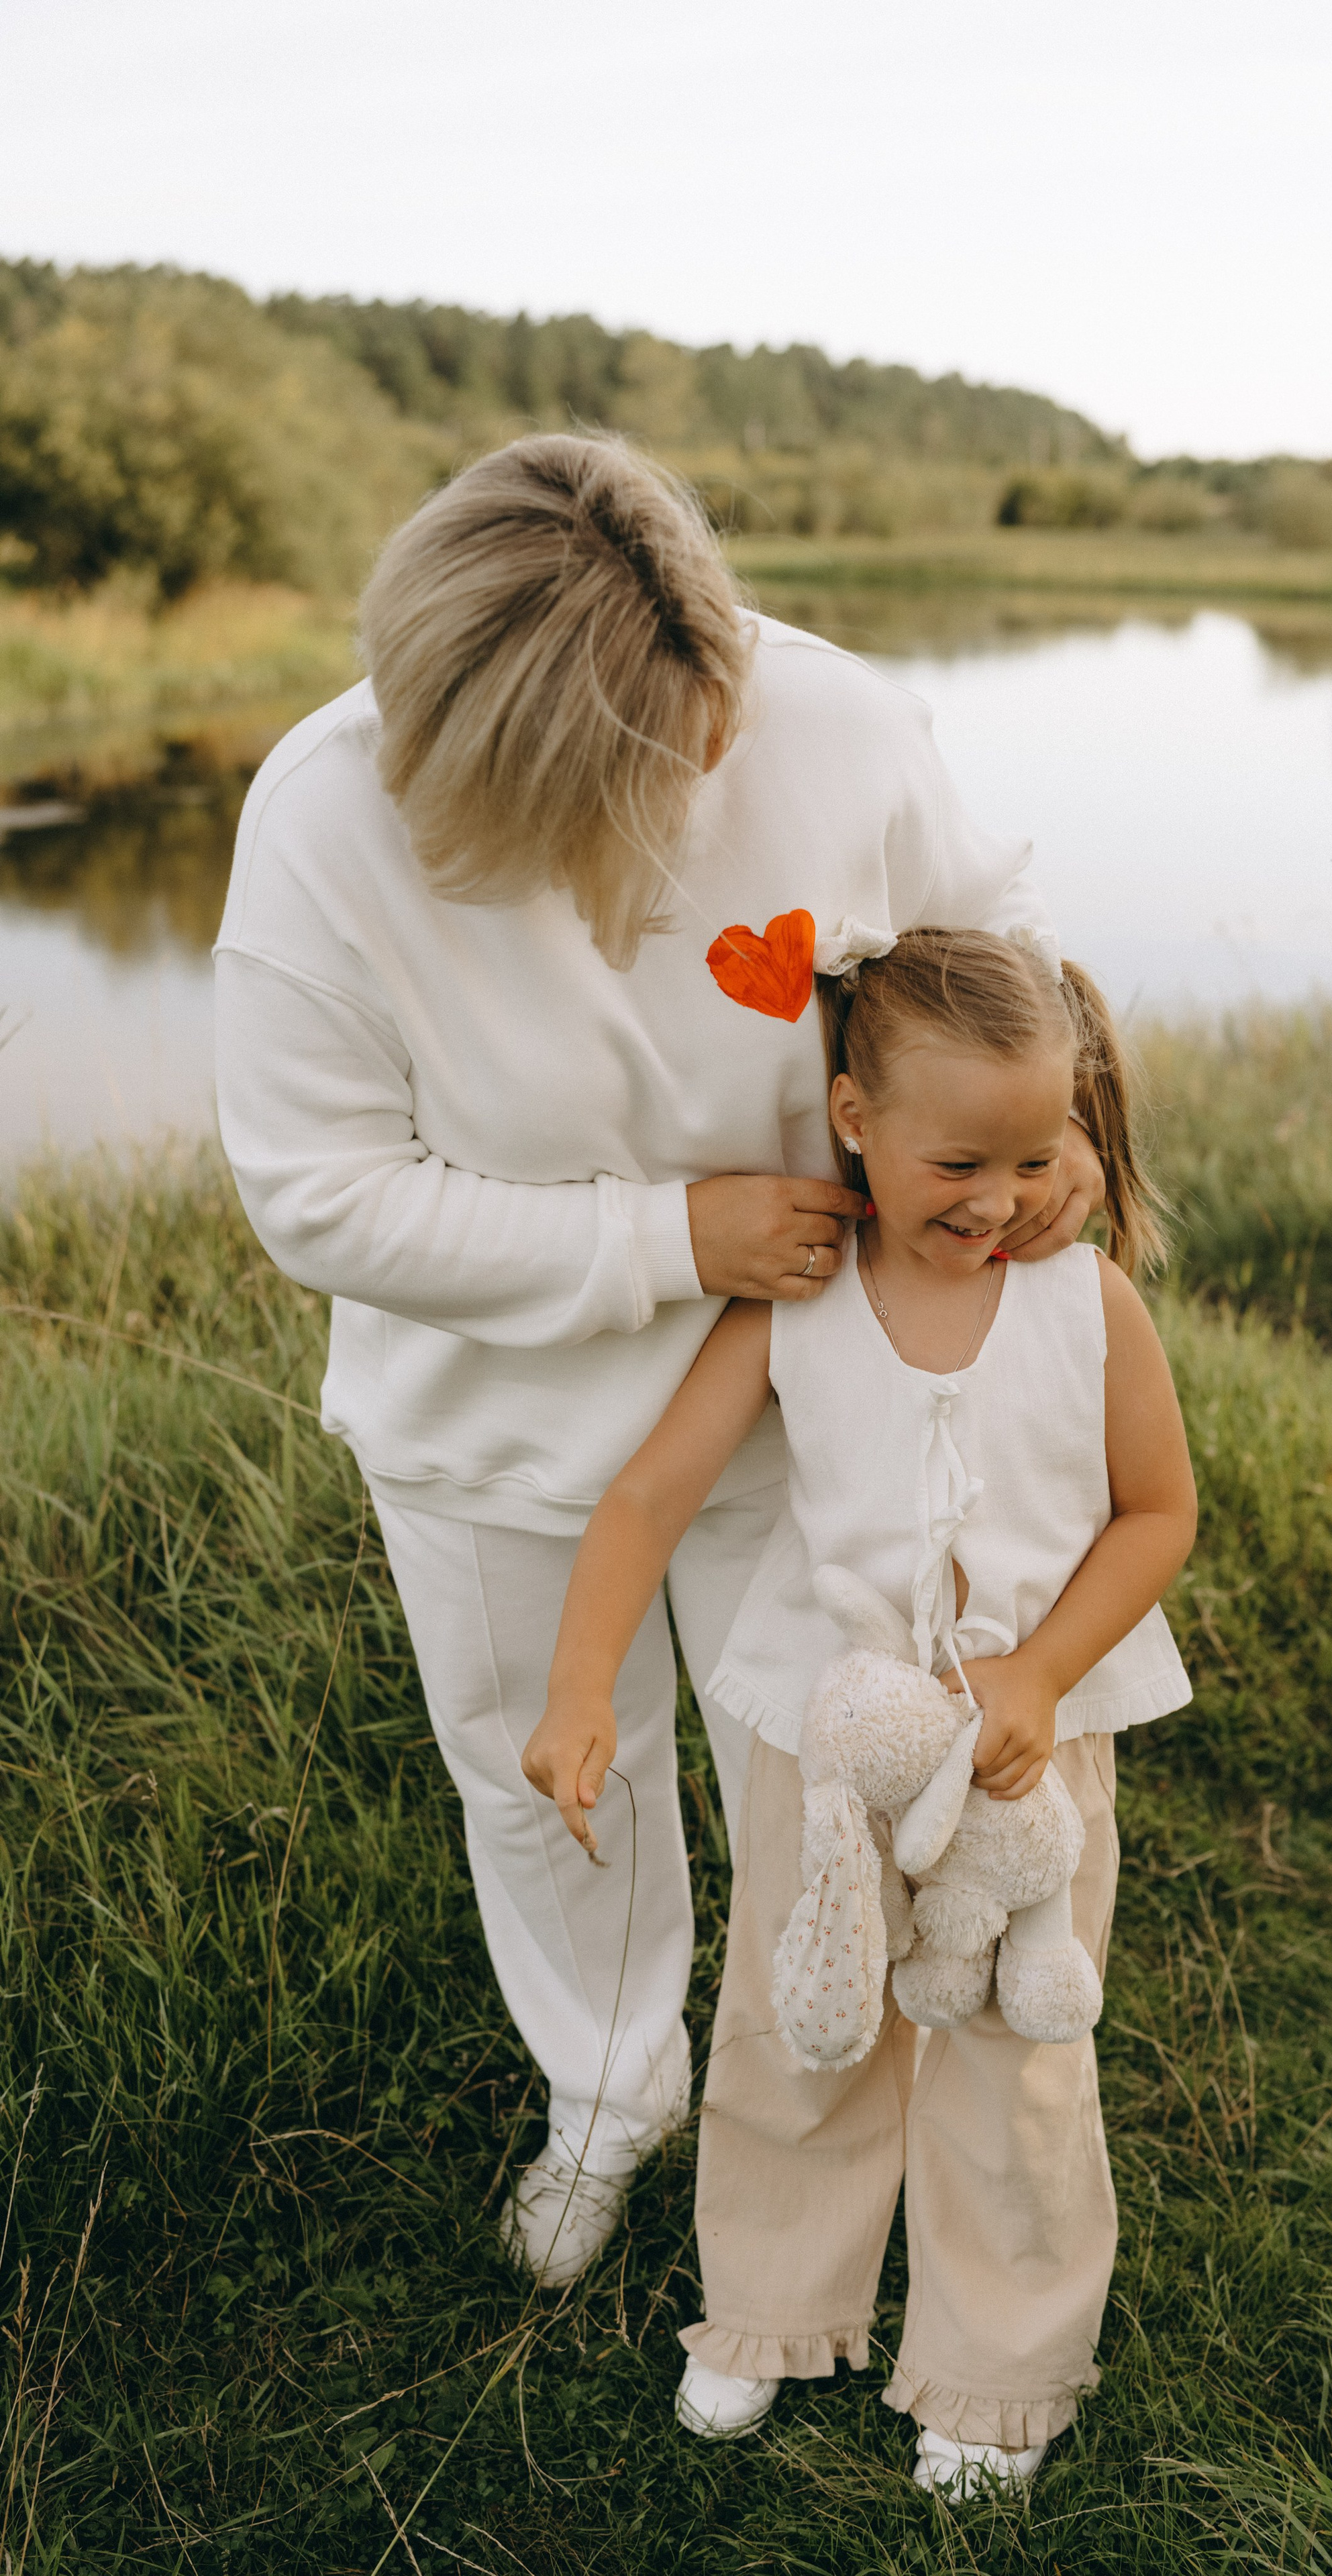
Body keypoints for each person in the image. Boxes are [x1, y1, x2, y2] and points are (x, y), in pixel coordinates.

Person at [213, 435, 1109, 2286]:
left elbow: (996, 955)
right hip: (489, 1435)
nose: (723, 769)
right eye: (672, 764)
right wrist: (662, 1241)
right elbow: (317, 1195)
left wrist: (1062, 1130)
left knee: (820, 1765)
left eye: (721, 722)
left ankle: (829, 2116)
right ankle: (609, 2095)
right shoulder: (322, 823)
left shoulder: (833, 725)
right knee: (548, 1774)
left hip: (812, 1409)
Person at [524, 927, 1198, 2496]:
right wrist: (575, 1698)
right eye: (957, 1159)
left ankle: (997, 2361)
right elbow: (645, 1500)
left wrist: (1034, 1672)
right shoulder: (794, 1307)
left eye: (1039, 1155)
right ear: (850, 1126)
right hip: (827, 1743)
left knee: (1008, 2040)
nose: (999, 1199)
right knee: (792, 2019)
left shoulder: (1087, 1306)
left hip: (1029, 1754)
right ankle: (770, 2306)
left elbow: (1156, 1516)